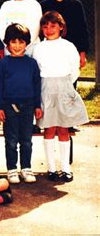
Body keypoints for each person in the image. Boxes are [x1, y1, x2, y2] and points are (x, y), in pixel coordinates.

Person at [32, 11, 89, 182]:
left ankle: (65, 168)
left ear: (61, 27)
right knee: (49, 129)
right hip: (46, 89)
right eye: (45, 26)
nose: (49, 29)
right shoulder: (39, 48)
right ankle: (51, 168)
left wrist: (66, 86)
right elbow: (37, 70)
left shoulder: (68, 46)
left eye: (53, 26)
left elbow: (74, 68)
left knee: (64, 129)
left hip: (64, 88)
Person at [0, 23, 42, 184]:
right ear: (7, 44)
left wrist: (37, 105)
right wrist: (0, 107)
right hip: (9, 106)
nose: (17, 46)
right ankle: (12, 169)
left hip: (28, 106)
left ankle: (26, 168)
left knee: (26, 140)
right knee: (11, 139)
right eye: (13, 42)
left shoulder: (31, 64)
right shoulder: (3, 63)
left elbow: (37, 85)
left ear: (26, 43)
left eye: (21, 42)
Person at [41, 0, 89, 70]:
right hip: (49, 52)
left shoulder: (76, 5)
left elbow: (82, 30)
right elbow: (40, 31)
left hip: (71, 53)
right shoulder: (43, 6)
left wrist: (82, 53)